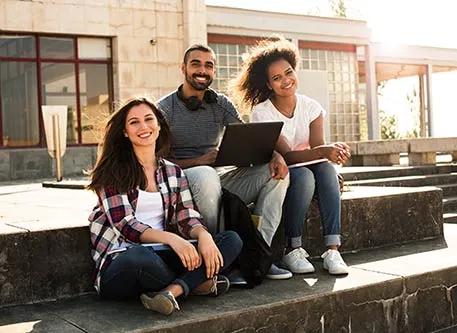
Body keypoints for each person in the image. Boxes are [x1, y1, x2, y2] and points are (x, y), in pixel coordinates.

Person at [87, 97, 243, 316]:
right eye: (134, 122)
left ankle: (171, 291)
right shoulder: (112, 172)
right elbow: (127, 226)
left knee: (231, 240)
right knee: (140, 257)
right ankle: (196, 284)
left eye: (149, 119)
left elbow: (186, 216)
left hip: (163, 254)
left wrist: (203, 236)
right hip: (123, 261)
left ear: (158, 125)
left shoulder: (173, 171)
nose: (143, 127)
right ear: (124, 132)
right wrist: (173, 239)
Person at [157, 44, 292, 280]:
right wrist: (199, 161)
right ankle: (220, 260)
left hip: (217, 179)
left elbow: (249, 136)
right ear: (183, 68)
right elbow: (158, 164)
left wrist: (275, 155)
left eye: (209, 65)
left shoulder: (221, 104)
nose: (202, 70)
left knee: (278, 173)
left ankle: (258, 257)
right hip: (183, 185)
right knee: (205, 175)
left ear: (214, 71)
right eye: (196, 64)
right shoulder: (165, 108)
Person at [231, 37, 350, 275]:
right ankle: (292, 248)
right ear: (268, 84)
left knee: (326, 170)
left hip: (310, 169)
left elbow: (318, 150)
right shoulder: (262, 112)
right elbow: (288, 156)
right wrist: (325, 151)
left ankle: (333, 250)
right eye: (277, 78)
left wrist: (331, 158)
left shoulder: (311, 106)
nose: (286, 80)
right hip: (287, 171)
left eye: (288, 72)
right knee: (304, 174)